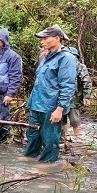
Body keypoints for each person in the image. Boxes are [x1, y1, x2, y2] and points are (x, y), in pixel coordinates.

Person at [24, 25, 77, 162]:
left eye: (45, 38)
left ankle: (46, 168)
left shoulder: (66, 58)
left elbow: (68, 86)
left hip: (51, 107)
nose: (42, 41)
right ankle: (28, 163)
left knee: (50, 140)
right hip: (36, 104)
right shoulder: (45, 56)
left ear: (56, 38)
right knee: (32, 137)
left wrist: (59, 109)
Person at [61, 46, 93, 142]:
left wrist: (87, 96)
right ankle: (63, 138)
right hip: (61, 98)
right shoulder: (61, 66)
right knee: (61, 120)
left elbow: (86, 81)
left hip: (74, 98)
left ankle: (79, 138)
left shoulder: (80, 66)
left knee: (75, 120)